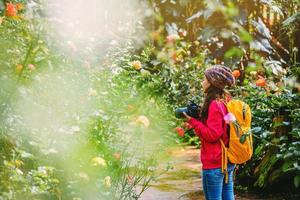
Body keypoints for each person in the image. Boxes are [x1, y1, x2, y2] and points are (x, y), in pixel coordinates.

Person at [183, 65, 236, 200]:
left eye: (204, 79)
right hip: (226, 160)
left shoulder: (214, 104)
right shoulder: (224, 101)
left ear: (212, 82)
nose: (202, 82)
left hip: (215, 162)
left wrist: (193, 122)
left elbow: (213, 135)